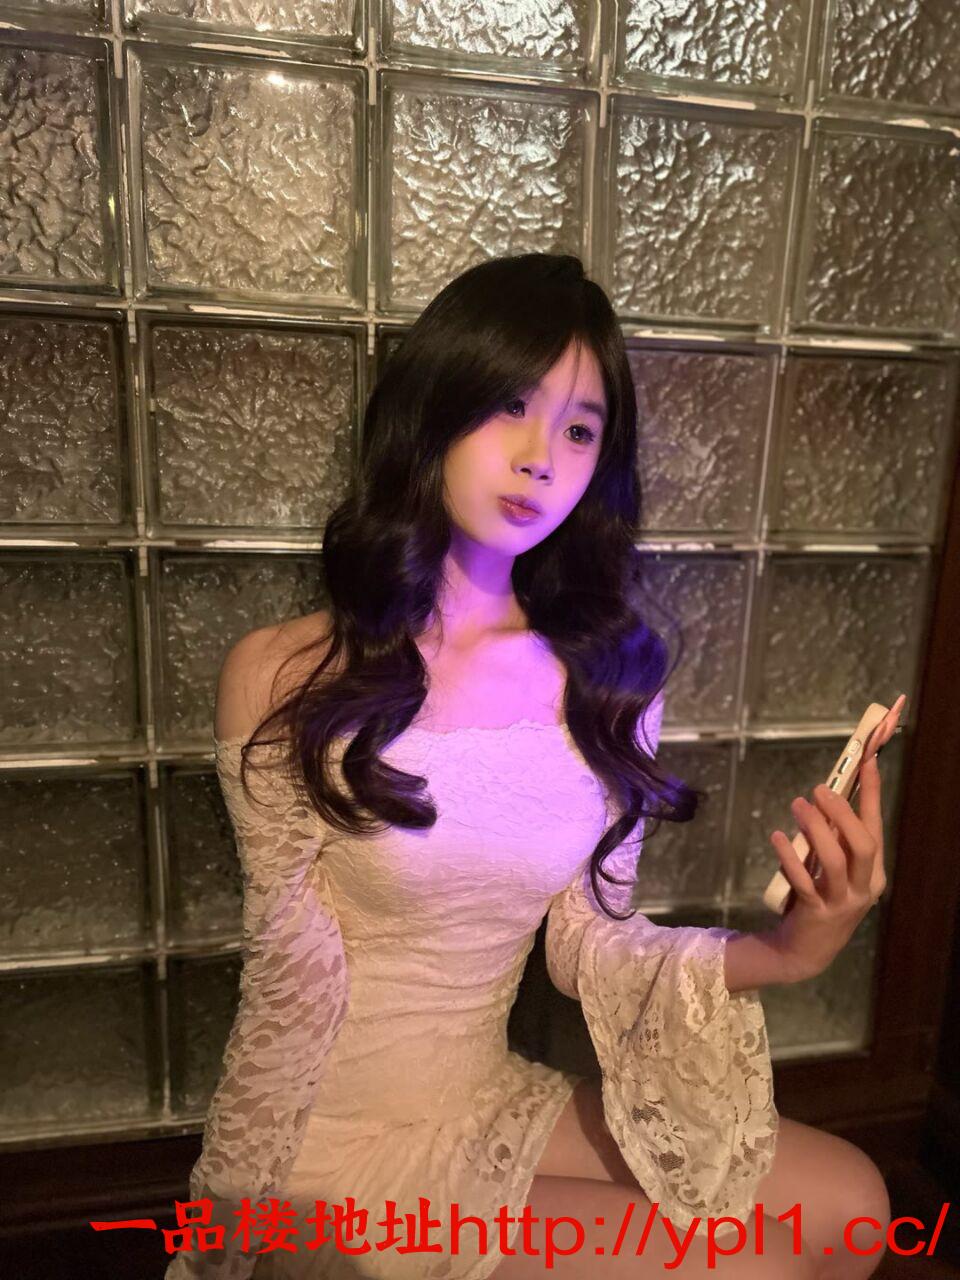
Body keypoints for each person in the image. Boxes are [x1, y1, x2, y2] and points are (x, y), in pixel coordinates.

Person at [165, 253, 898, 1280]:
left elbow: (588, 940)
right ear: (435, 408)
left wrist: (789, 949)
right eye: (511, 405)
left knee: (855, 1207)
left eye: (579, 429)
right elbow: (284, 969)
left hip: (483, 1093)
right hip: (332, 1145)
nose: (540, 457)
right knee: (757, 1271)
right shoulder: (284, 673)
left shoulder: (610, 681)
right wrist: (238, 1221)